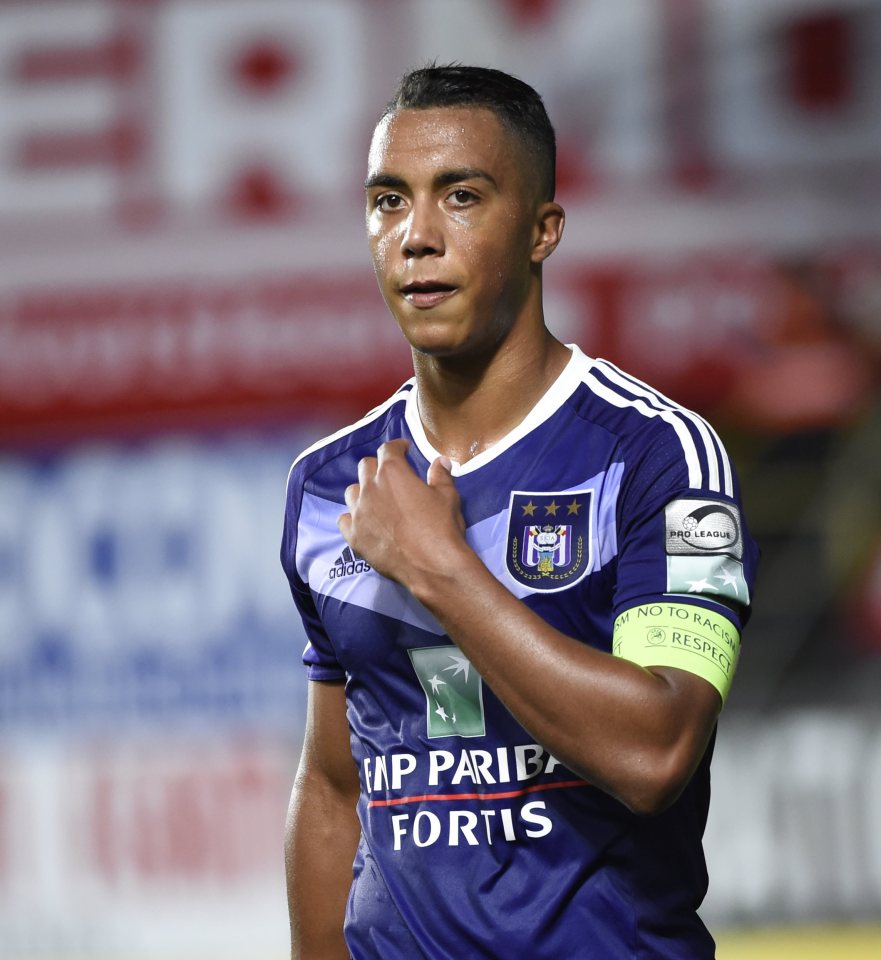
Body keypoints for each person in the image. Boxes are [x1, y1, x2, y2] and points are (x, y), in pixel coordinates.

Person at [280, 64, 759, 960]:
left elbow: (657, 753)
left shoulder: (663, 457)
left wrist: (438, 567)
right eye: (388, 201)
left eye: (459, 196)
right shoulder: (327, 481)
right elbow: (335, 788)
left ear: (543, 231)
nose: (415, 237)